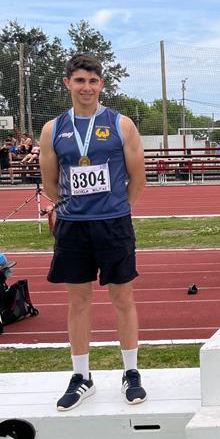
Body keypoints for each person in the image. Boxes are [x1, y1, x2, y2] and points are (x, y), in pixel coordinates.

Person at [39, 53, 147, 411]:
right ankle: (82, 376)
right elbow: (51, 184)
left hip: (113, 224)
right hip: (73, 227)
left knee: (123, 299)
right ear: (67, 82)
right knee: (78, 302)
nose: (87, 87)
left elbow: (138, 178)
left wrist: (116, 208)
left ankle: (131, 372)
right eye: (80, 80)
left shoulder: (121, 125)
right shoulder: (53, 129)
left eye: (93, 81)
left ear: (101, 84)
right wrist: (76, 209)